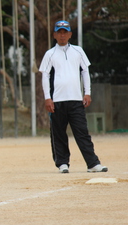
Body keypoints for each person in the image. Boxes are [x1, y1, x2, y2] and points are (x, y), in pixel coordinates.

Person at [39, 20, 108, 174]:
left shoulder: (78, 51)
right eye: (59, 32)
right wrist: (47, 98)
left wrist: (87, 92)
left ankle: (92, 163)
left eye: (65, 32)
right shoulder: (50, 54)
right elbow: (45, 76)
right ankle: (62, 163)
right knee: (58, 133)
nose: (62, 35)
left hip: (76, 100)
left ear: (70, 34)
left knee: (82, 132)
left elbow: (85, 72)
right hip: (57, 101)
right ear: (54, 35)